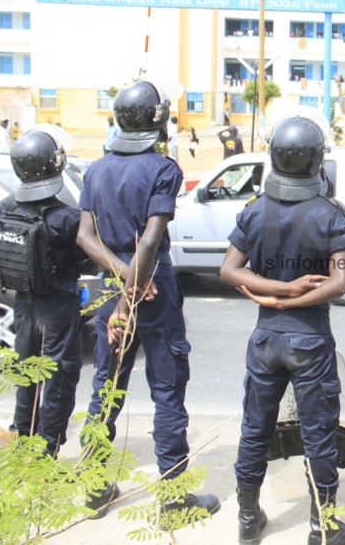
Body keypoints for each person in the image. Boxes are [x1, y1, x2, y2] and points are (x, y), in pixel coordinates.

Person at [75, 80, 219, 519]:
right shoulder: (163, 168)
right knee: (168, 391)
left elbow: (84, 236)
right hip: (152, 286)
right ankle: (173, 497)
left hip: (111, 284)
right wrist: (134, 284)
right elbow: (152, 238)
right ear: (156, 120)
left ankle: (95, 487)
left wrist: (119, 280)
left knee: (106, 386)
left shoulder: (96, 169)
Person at [219, 116, 345, 545]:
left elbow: (229, 270)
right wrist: (292, 294)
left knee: (254, 428)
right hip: (310, 339)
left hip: (265, 338)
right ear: (317, 160)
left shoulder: (254, 210)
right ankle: (325, 526)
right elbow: (339, 283)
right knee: (318, 433)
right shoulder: (328, 215)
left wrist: (277, 297)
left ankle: (248, 519)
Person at [0, 131, 97, 457]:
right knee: (58, 383)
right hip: (58, 306)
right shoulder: (67, 217)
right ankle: (46, 458)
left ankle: (22, 447)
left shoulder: (5, 208)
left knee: (26, 378)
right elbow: (88, 263)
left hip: (22, 305)